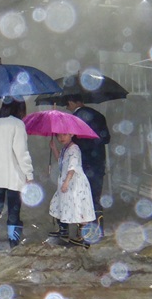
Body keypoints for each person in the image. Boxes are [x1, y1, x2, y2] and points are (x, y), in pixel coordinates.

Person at [0, 98, 34, 250]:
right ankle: (13, 242)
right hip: (12, 175)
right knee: (14, 208)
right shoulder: (17, 124)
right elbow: (22, 153)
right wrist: (29, 175)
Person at [64, 93, 110, 223]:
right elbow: (107, 139)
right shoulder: (99, 116)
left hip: (82, 164)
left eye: (67, 105)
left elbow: (71, 143)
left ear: (72, 102)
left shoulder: (73, 119)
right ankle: (98, 228)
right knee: (95, 197)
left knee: (82, 197)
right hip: (98, 163)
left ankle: (85, 231)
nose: (67, 108)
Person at [47, 132, 97, 247]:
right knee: (59, 204)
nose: (61, 138)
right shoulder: (66, 149)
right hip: (67, 182)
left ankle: (84, 237)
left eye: (64, 135)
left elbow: (72, 167)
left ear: (71, 134)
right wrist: (54, 148)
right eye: (58, 136)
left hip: (75, 183)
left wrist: (67, 182)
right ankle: (63, 230)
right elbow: (61, 160)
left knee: (78, 206)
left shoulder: (74, 148)